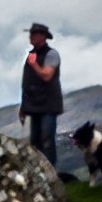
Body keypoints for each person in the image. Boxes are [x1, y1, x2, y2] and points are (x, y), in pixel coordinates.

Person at [18, 22, 63, 166]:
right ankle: (38, 171)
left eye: (34, 34)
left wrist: (34, 64)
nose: (31, 37)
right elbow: (27, 83)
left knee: (47, 139)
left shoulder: (51, 54)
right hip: (33, 105)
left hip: (48, 105)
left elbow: (47, 75)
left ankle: (50, 172)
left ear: (43, 36)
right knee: (35, 141)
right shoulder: (31, 55)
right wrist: (23, 106)